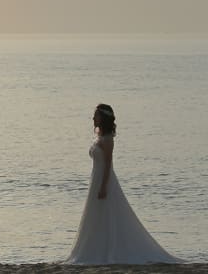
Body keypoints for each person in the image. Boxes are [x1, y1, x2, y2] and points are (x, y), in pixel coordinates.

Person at [64, 103, 181, 264]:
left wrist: (104, 186)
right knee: (96, 216)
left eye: (96, 115)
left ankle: (110, 250)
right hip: (95, 180)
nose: (93, 118)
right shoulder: (99, 137)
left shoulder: (107, 139)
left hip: (104, 181)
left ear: (103, 118)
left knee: (109, 214)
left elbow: (108, 164)